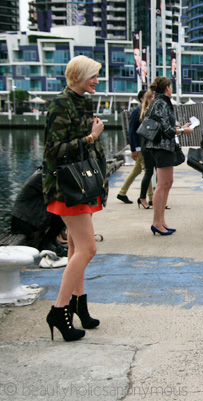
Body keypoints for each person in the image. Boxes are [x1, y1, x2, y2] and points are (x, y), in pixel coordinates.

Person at [42, 55, 107, 342]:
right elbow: (54, 150)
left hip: (83, 184)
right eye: (92, 75)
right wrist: (91, 137)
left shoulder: (82, 101)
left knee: (75, 248)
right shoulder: (60, 103)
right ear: (77, 76)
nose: (96, 80)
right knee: (88, 249)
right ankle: (59, 309)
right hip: (66, 186)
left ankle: (78, 304)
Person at [144, 76, 194, 235]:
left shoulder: (158, 102)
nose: (172, 89)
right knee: (163, 184)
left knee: (167, 182)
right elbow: (167, 130)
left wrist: (179, 127)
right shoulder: (162, 103)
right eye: (171, 87)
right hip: (162, 146)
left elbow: (164, 125)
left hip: (161, 146)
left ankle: (161, 220)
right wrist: (182, 131)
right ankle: (157, 222)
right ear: (167, 88)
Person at [116, 90, 153, 207]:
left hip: (143, 146)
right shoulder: (137, 112)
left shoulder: (145, 111)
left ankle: (122, 192)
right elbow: (131, 132)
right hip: (140, 147)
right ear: (142, 99)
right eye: (149, 97)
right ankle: (151, 198)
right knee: (148, 171)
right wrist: (133, 149)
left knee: (136, 171)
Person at [138, 90, 156, 209]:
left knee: (151, 172)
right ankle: (143, 197)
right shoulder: (149, 112)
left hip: (148, 145)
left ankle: (150, 198)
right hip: (149, 146)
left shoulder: (145, 112)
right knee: (149, 172)